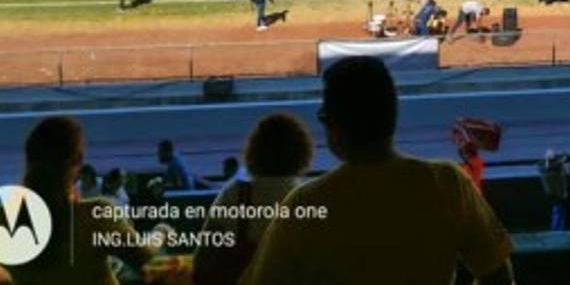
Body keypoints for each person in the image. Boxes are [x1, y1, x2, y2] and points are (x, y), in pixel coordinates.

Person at [240, 57, 514, 285]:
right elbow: (498, 275)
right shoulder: (447, 183)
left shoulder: (304, 205)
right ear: (391, 116)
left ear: (333, 125)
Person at [0, 117, 155, 285]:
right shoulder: (97, 216)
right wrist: (161, 232)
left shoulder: (2, 220)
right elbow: (147, 261)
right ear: (78, 159)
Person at [194, 113, 314, 285]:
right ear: (303, 153)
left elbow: (201, 263)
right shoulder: (309, 198)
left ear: (253, 151)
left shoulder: (234, 194)